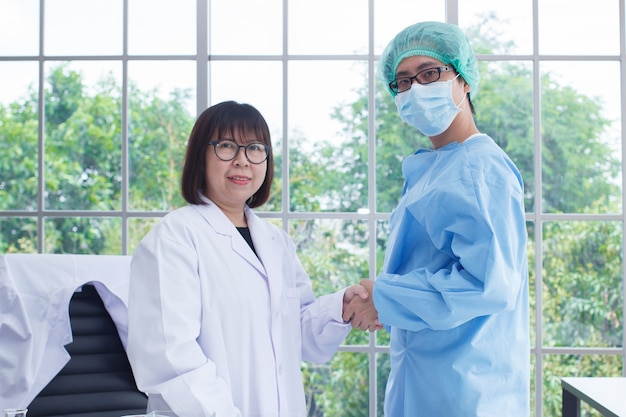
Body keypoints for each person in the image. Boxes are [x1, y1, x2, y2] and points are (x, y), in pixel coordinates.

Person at [126, 100, 375, 417]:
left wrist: (340, 307)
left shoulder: (276, 243)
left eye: (255, 148)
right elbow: (170, 358)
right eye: (227, 146)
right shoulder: (174, 239)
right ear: (200, 157)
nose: (243, 161)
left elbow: (298, 337)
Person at [357, 21, 530, 416]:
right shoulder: (438, 167)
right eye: (402, 81)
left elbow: (489, 284)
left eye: (429, 73)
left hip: (467, 390)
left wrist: (385, 299)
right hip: (429, 381)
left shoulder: (480, 167)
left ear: (464, 79)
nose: (415, 89)